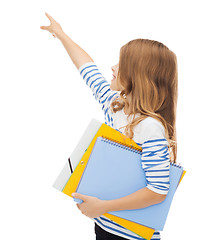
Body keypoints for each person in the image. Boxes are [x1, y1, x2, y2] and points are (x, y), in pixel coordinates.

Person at [40, 12, 178, 240]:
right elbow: (88, 70)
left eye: (121, 64)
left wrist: (103, 206)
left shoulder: (150, 127)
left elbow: (158, 191)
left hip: (131, 234)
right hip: (105, 225)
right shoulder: (116, 106)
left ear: (138, 76)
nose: (113, 67)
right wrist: (61, 35)